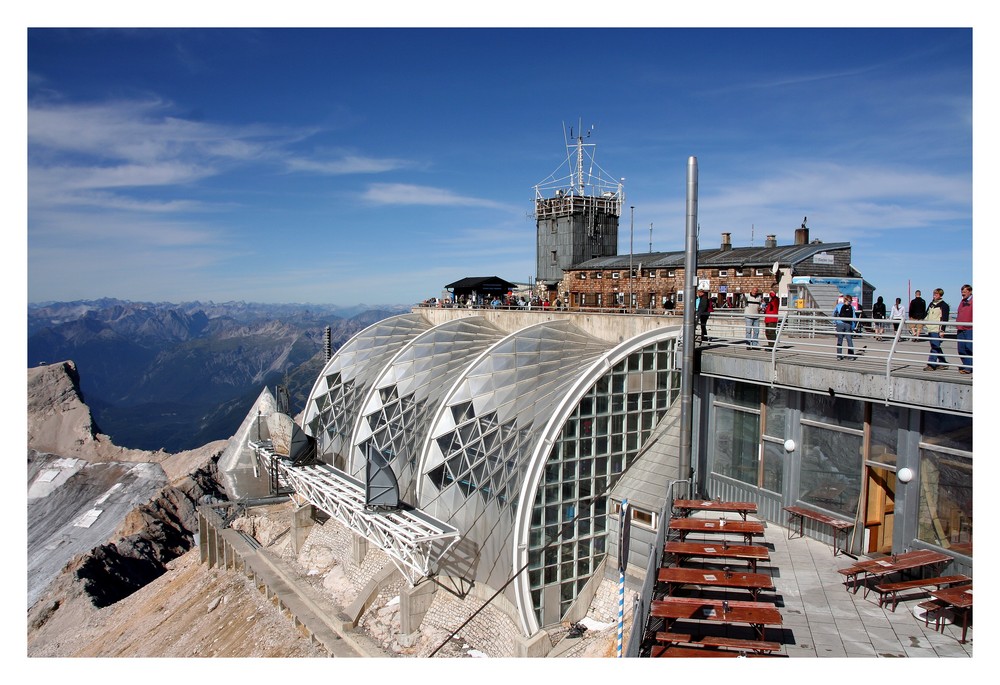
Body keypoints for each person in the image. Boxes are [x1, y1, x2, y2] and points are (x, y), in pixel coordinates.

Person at [923, 288, 950, 370]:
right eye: (934, 294)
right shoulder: (931, 304)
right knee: (935, 346)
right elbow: (926, 314)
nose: (934, 295)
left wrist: (942, 330)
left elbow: (944, 319)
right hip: (930, 328)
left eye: (936, 294)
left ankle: (931, 364)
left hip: (937, 329)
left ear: (940, 295)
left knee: (934, 347)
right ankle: (943, 362)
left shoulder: (944, 305)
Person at [955, 284, 972, 374]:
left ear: (970, 292)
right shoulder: (962, 302)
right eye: (962, 292)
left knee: (969, 347)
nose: (963, 293)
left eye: (965, 292)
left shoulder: (972, 301)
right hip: (960, 328)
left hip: (970, 328)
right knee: (961, 349)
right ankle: (967, 365)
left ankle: (969, 367)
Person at [833, 293, 856, 360]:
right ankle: (851, 356)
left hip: (840, 324)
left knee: (840, 340)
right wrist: (853, 326)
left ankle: (839, 356)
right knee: (849, 340)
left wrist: (835, 322)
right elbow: (854, 317)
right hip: (848, 324)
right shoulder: (851, 307)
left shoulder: (838, 305)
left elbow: (834, 314)